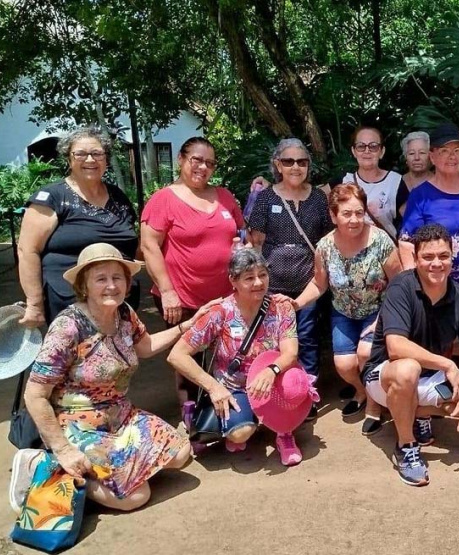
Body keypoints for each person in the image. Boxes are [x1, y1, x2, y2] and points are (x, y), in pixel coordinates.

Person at [11, 243, 210, 512]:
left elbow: (146, 346)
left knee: (181, 454)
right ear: (84, 285)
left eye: (117, 277)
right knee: (134, 499)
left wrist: (188, 323)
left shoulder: (124, 313)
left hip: (120, 415)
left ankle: (118, 468)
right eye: (101, 278)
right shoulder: (68, 327)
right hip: (78, 424)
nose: (111, 286)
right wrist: (63, 448)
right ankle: (51, 464)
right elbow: (34, 395)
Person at [362, 223, 459, 486]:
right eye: (428, 257)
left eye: (443, 256)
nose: (436, 263)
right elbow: (396, 346)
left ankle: (419, 413)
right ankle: (406, 446)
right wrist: (447, 364)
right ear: (415, 258)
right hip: (385, 377)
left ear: (452, 256)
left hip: (430, 380)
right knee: (408, 368)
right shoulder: (401, 287)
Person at [281, 184, 402, 435]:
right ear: (334, 215)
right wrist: (296, 304)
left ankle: (374, 404)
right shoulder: (324, 246)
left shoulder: (380, 240)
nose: (354, 219)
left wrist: (384, 317)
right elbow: (318, 283)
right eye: (346, 213)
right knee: (345, 365)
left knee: (366, 353)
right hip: (343, 312)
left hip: (378, 308)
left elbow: (398, 283)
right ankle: (361, 389)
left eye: (359, 213)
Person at [168, 248, 306, 464]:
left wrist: (272, 371)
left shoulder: (281, 307)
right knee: (240, 433)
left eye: (263, 275)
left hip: (274, 380)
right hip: (235, 386)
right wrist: (214, 388)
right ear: (233, 280)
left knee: (292, 383)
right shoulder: (220, 312)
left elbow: (291, 352)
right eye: (249, 278)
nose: (259, 283)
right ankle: (238, 419)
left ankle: (284, 432)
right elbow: (177, 355)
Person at [141, 136, 245, 408]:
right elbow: (149, 246)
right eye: (196, 160)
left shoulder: (223, 196)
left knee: (225, 352)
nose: (203, 167)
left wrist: (240, 246)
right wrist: (167, 292)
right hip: (183, 297)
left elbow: (240, 232)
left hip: (224, 296)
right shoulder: (163, 199)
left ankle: (226, 409)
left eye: (209, 163)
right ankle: (193, 416)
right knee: (188, 357)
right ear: (181, 160)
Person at [399, 123, 459, 405]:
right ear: (432, 157)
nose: (452, 157)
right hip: (433, 284)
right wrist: (410, 282)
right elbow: (406, 240)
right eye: (444, 151)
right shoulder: (421, 194)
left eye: (457, 151)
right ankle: (435, 400)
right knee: (433, 341)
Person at [17, 126, 138, 326]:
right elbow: (27, 251)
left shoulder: (118, 197)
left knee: (118, 354)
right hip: (70, 302)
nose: (90, 160)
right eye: (80, 154)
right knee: (77, 356)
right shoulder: (52, 198)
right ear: (69, 159)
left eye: (97, 153)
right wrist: (35, 304)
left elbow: (134, 243)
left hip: (117, 298)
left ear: (106, 159)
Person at [248, 138, 333, 419]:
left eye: (302, 161)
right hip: (272, 285)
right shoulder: (266, 197)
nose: (296, 167)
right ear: (277, 165)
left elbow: (326, 240)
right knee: (274, 341)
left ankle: (305, 392)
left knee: (307, 338)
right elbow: (256, 242)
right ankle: (274, 394)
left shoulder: (319, 199)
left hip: (308, 283)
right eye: (289, 161)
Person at [343, 126, 404, 239]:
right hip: (351, 251)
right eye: (361, 146)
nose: (367, 151)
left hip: (387, 251)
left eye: (373, 146)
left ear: (382, 151)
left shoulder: (395, 182)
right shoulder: (344, 181)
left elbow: (410, 221)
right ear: (354, 151)